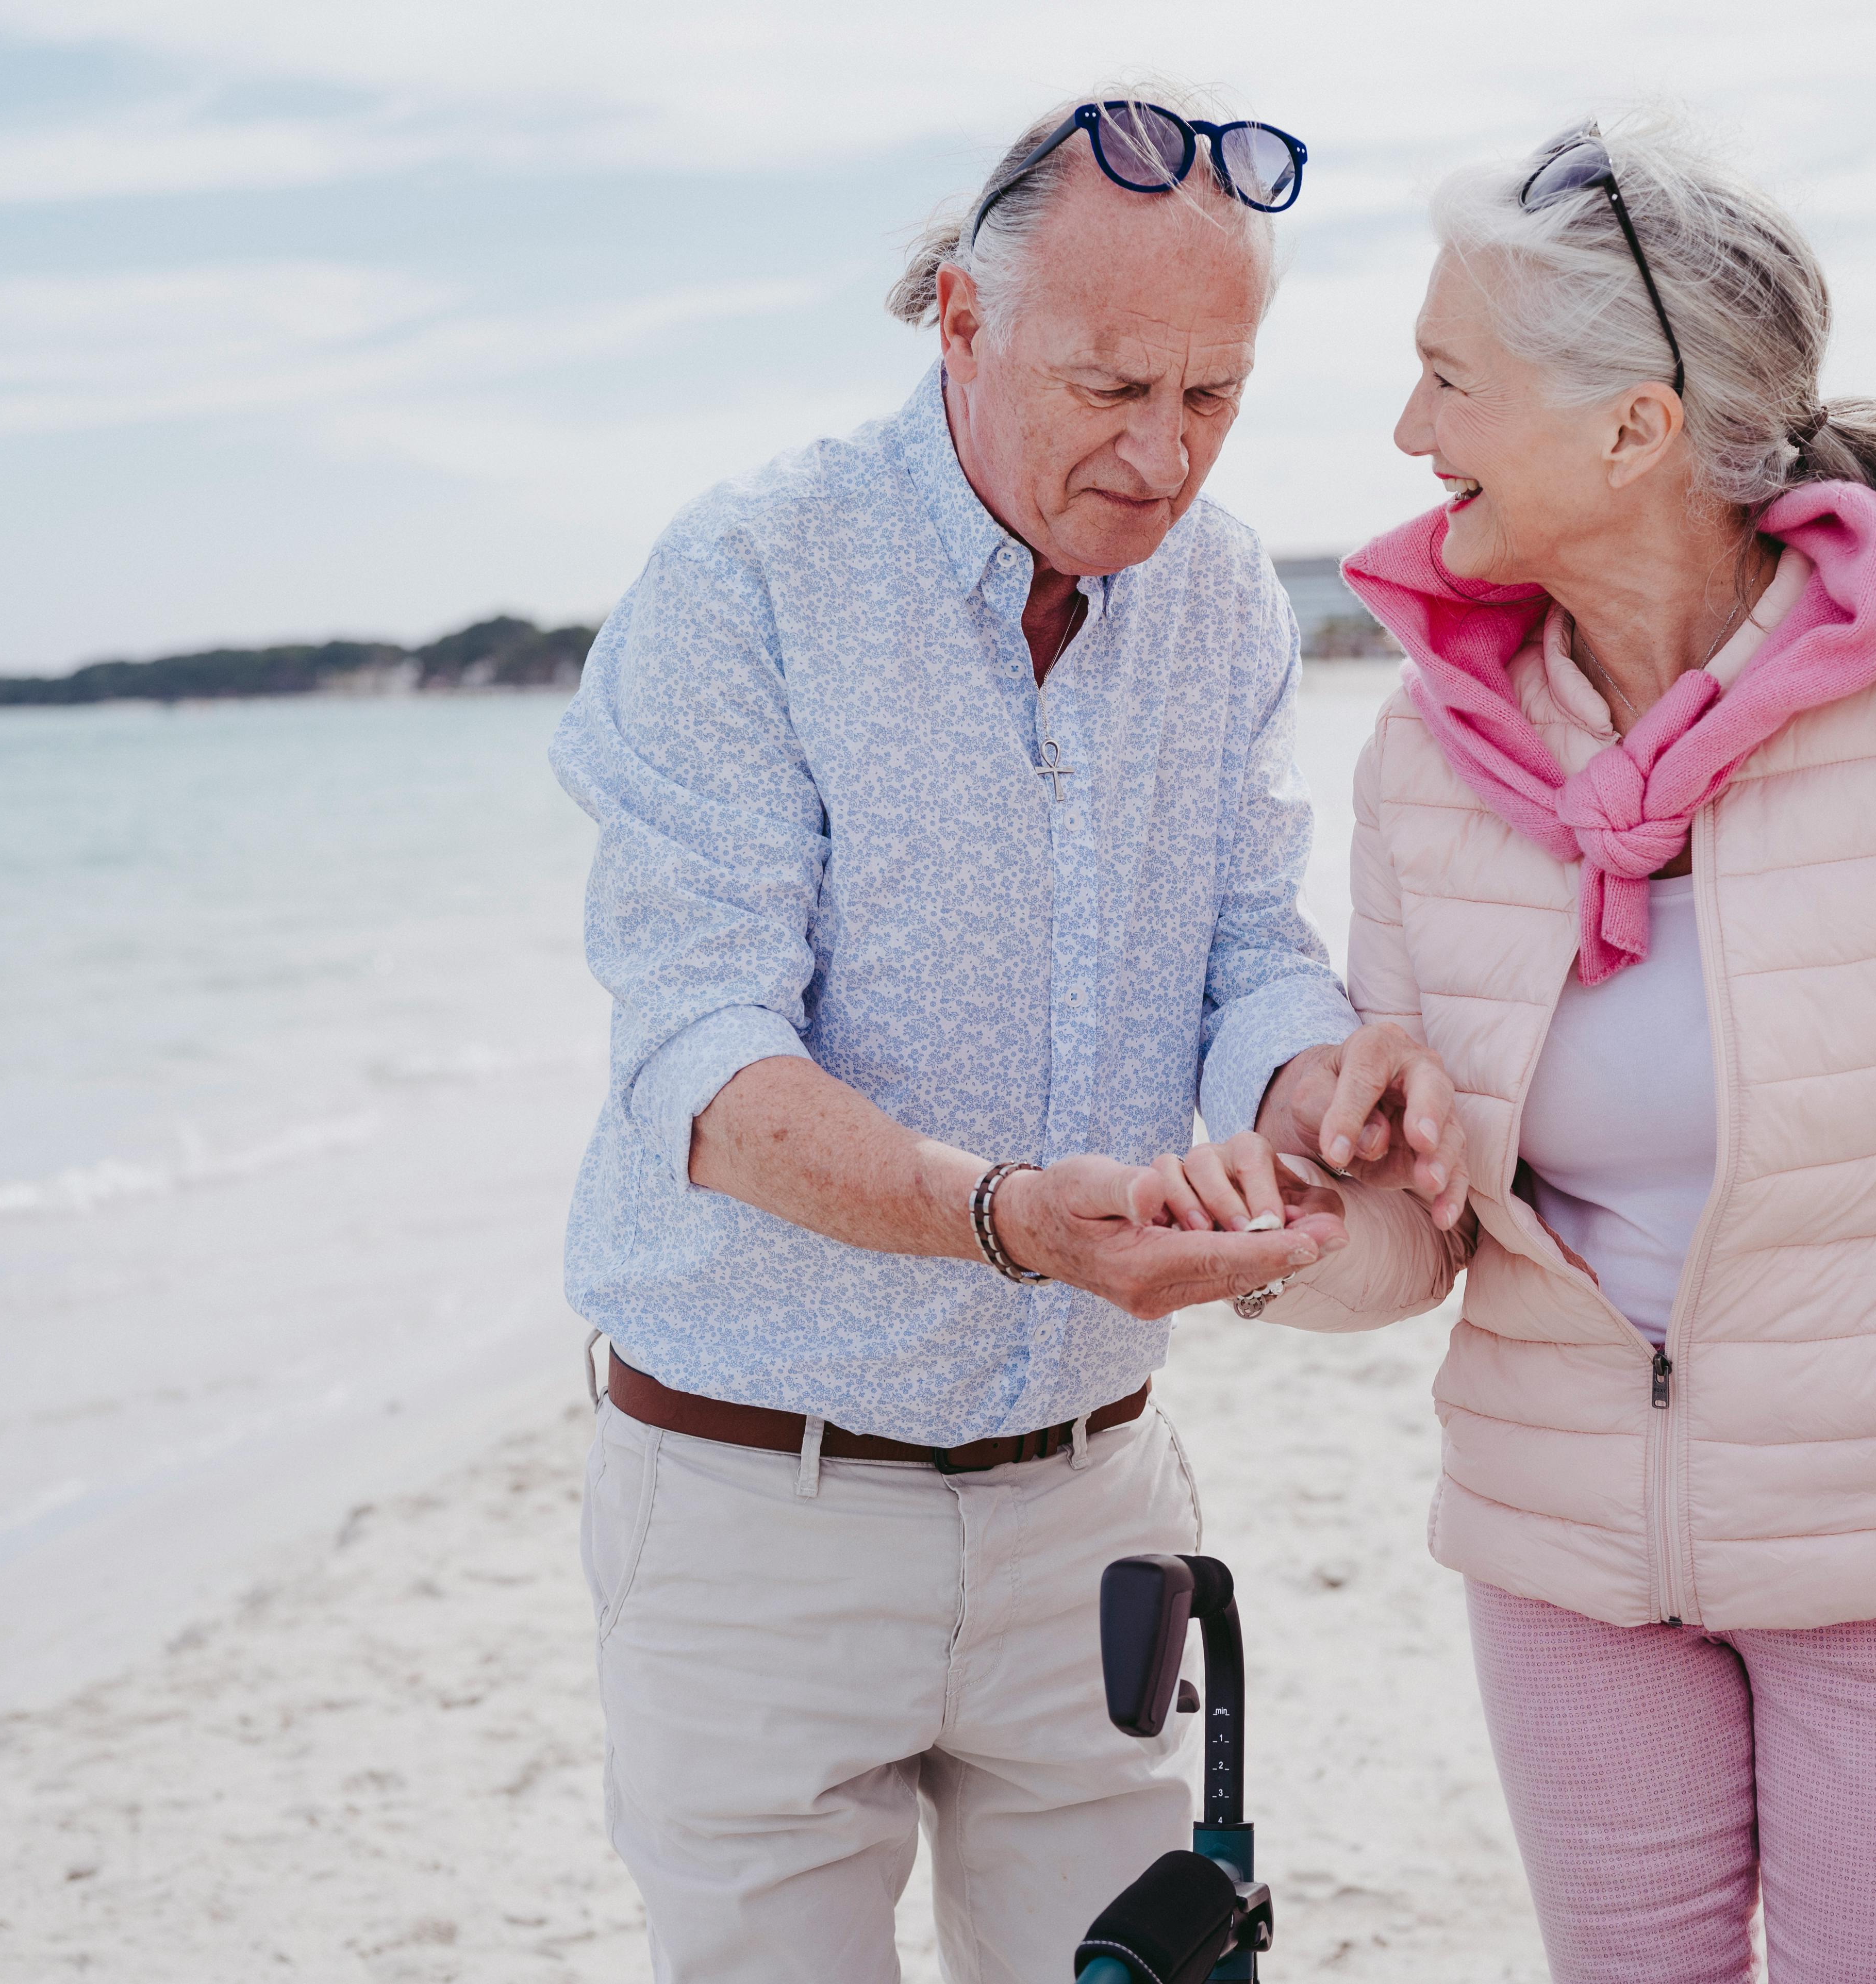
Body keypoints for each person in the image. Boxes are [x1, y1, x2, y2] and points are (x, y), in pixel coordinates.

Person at [1189, 109, 1876, 1981]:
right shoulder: (1427, 760)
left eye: (1449, 378)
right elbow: (1420, 1233)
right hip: (1566, 1561)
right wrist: (1280, 1228)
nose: (1409, 433)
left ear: (1635, 428)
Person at [549, 86, 1467, 1984]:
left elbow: (1241, 951)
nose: (1164, 457)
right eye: (1112, 387)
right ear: (960, 320)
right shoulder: (746, 577)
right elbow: (701, 1074)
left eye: (1212, 396)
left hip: (1096, 1509)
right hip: (754, 1509)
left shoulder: (1223, 598)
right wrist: (1007, 1217)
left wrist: (1323, 1087)